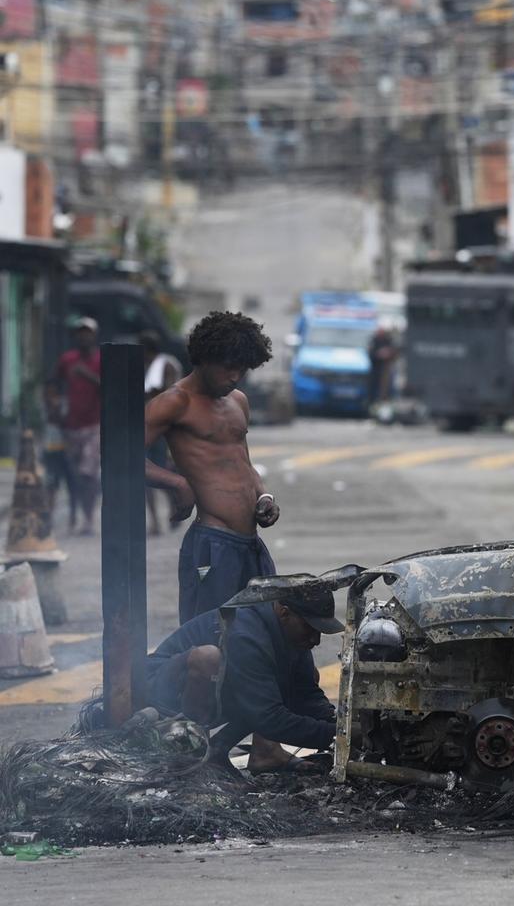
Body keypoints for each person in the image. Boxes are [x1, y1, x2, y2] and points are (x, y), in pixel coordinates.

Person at [143, 310, 277, 624]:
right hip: (213, 545)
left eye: (242, 369)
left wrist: (264, 497)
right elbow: (119, 457)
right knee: (208, 638)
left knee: (262, 632)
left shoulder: (238, 401)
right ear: (205, 358)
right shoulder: (175, 402)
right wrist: (177, 483)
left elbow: (243, 464)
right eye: (229, 367)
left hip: (251, 544)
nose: (235, 377)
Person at [144, 587, 342, 773]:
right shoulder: (247, 635)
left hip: (222, 689)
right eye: (310, 628)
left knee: (295, 678)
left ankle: (224, 753)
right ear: (284, 613)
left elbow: (305, 695)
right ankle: (194, 758)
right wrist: (337, 737)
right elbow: (269, 719)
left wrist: (341, 726)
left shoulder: (287, 632)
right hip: (160, 694)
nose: (316, 640)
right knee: (209, 659)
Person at [56, 317, 102, 535]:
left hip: (94, 425)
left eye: (88, 332)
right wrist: (54, 405)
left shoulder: (101, 360)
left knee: (87, 473)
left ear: (94, 335)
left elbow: (110, 387)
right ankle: (77, 514)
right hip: (71, 425)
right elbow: (54, 383)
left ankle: (89, 517)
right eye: (80, 332)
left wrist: (87, 375)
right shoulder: (67, 359)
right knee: (74, 475)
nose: (84, 336)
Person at [141, 330, 181, 537]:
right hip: (145, 424)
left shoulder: (166, 364)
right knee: (145, 472)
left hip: (164, 426)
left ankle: (174, 507)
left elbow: (169, 393)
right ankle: (155, 520)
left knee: (163, 469)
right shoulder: (143, 366)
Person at [42, 377, 78, 534]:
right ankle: (49, 518)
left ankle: (73, 518)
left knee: (71, 485)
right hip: (50, 450)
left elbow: (64, 422)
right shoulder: (44, 405)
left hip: (65, 449)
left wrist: (55, 407)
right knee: (51, 485)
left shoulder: (64, 404)